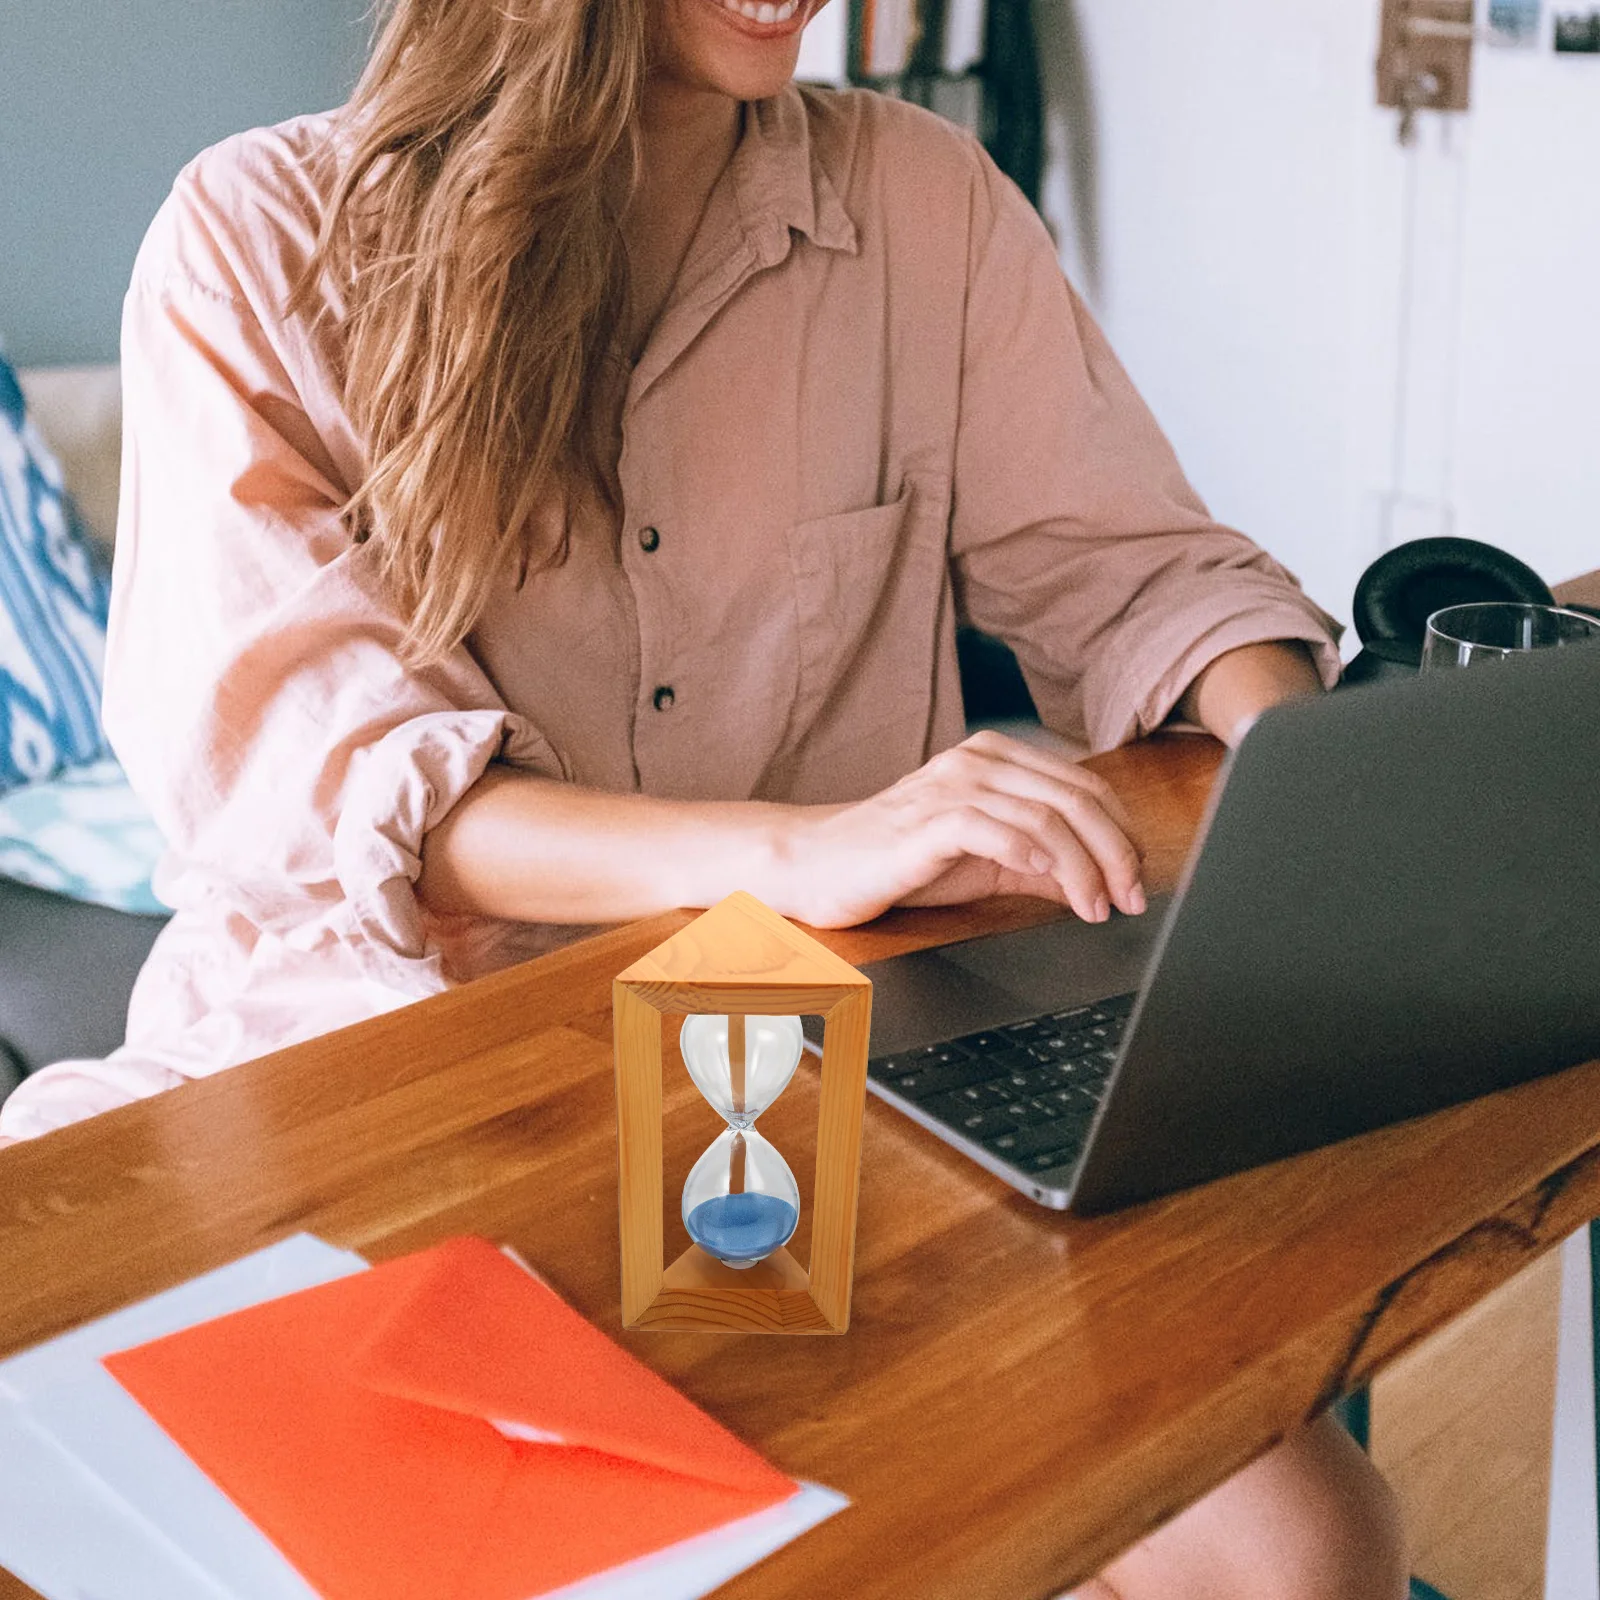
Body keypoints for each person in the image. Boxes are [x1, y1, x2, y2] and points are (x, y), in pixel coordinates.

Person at [0, 0, 1408, 1591]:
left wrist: (1318, 802)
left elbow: (1144, 575)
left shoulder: (924, 205)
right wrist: (806, 849)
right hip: (362, 1062)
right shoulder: (256, 238)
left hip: (786, 1083)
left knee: (1305, 1536)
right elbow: (348, 784)